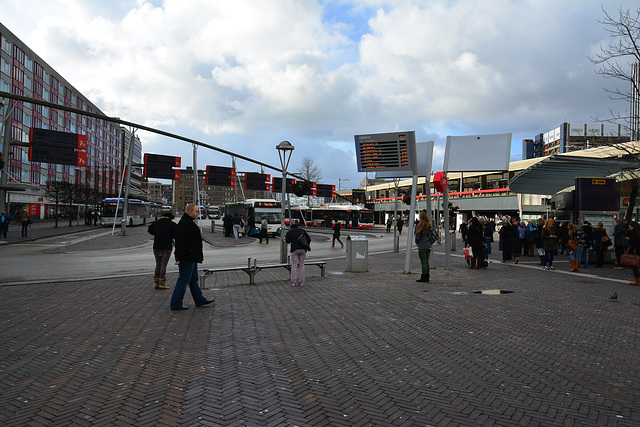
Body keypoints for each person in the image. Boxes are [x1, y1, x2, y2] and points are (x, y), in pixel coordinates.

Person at [169, 203, 213, 310]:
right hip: (187, 256)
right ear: (190, 212)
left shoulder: (187, 222)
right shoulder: (185, 224)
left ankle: (199, 300)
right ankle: (176, 303)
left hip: (191, 255)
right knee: (184, 280)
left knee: (193, 279)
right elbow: (180, 242)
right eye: (196, 211)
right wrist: (179, 257)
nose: (198, 213)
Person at [148, 211, 178, 290]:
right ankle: (162, 283)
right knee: (163, 265)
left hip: (156, 246)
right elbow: (176, 234)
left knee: (158, 264)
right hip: (166, 246)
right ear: (171, 218)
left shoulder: (156, 223)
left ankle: (156, 282)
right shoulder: (172, 225)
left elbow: (150, 230)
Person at [285, 221, 311, 287]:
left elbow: (287, 241)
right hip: (303, 249)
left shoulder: (289, 232)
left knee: (294, 265)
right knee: (302, 265)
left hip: (294, 250)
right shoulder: (302, 231)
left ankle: (293, 282)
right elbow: (309, 239)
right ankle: (301, 282)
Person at [414, 211, 434, 282]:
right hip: (428, 245)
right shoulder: (428, 225)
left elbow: (417, 237)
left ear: (420, 217)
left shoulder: (419, 225)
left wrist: (417, 242)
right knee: (427, 262)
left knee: (423, 262)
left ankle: (423, 277)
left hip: (422, 246)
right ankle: (427, 276)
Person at [626, 221, 640, 286]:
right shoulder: (638, 232)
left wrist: (630, 251)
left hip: (636, 252)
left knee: (635, 266)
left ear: (632, 226)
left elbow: (634, 244)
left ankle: (637, 280)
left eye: (630, 226)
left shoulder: (634, 234)